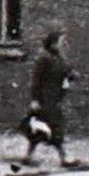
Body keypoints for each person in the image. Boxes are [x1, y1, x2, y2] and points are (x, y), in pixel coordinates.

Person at [18, 27, 78, 168]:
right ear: (52, 44)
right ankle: (64, 158)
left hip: (55, 98)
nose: (64, 45)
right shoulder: (44, 59)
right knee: (54, 127)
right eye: (61, 42)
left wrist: (70, 78)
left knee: (41, 128)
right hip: (46, 98)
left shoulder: (60, 59)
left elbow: (66, 77)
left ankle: (28, 156)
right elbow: (36, 80)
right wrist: (35, 99)